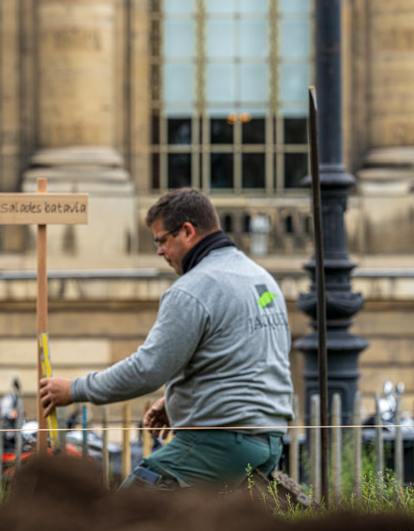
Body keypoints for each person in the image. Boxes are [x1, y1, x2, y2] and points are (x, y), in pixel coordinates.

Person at [39, 188, 294, 489]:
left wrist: (74, 389)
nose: (159, 251)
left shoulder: (193, 289)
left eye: (162, 241)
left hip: (219, 443)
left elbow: (147, 369)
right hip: (269, 440)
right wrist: (177, 402)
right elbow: (247, 359)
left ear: (187, 231)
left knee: (126, 514)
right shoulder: (261, 279)